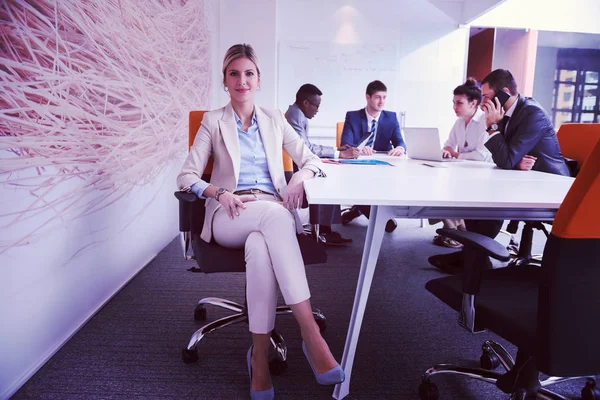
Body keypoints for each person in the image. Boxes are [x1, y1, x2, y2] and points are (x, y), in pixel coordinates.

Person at [177, 44, 344, 400]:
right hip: (230, 213)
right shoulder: (213, 120)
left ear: (258, 79)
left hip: (270, 213)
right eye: (234, 73)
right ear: (225, 80)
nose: (242, 80)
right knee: (276, 217)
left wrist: (300, 177)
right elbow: (187, 176)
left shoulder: (274, 119)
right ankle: (310, 335)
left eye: (248, 73)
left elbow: (312, 159)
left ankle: (259, 359)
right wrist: (219, 193)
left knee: (261, 245)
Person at [428, 68, 569, 275]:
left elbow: (505, 157)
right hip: (524, 176)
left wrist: (492, 128)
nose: (483, 102)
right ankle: (474, 255)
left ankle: (474, 258)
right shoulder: (505, 113)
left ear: (503, 92)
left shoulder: (532, 113)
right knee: (478, 192)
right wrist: (513, 160)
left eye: (486, 96)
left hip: (550, 183)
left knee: (489, 195)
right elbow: (503, 157)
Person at [285, 83, 358, 246]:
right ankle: (324, 231)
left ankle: (325, 228)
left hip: (297, 164)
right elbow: (306, 148)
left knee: (329, 171)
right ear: (305, 103)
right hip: (293, 172)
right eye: (316, 106)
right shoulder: (295, 115)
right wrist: (338, 153)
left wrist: (337, 149)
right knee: (327, 176)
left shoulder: (298, 114)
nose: (317, 110)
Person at [430, 78, 491, 248]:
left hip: (483, 174)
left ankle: (456, 230)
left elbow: (481, 156)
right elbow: (448, 144)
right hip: (464, 170)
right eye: (454, 102)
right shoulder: (459, 122)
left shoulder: (484, 122)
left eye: (459, 103)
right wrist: (446, 151)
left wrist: (455, 154)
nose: (454, 107)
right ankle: (456, 228)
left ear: (473, 104)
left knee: (445, 187)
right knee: (435, 182)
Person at [339, 80, 407, 232]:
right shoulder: (353, 116)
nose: (382, 101)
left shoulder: (391, 117)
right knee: (360, 184)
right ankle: (371, 213)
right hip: (359, 167)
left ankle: (359, 209)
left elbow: (400, 142)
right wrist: (360, 148)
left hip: (384, 167)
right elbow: (345, 144)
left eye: (384, 97)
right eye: (377, 97)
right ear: (368, 97)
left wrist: (400, 148)